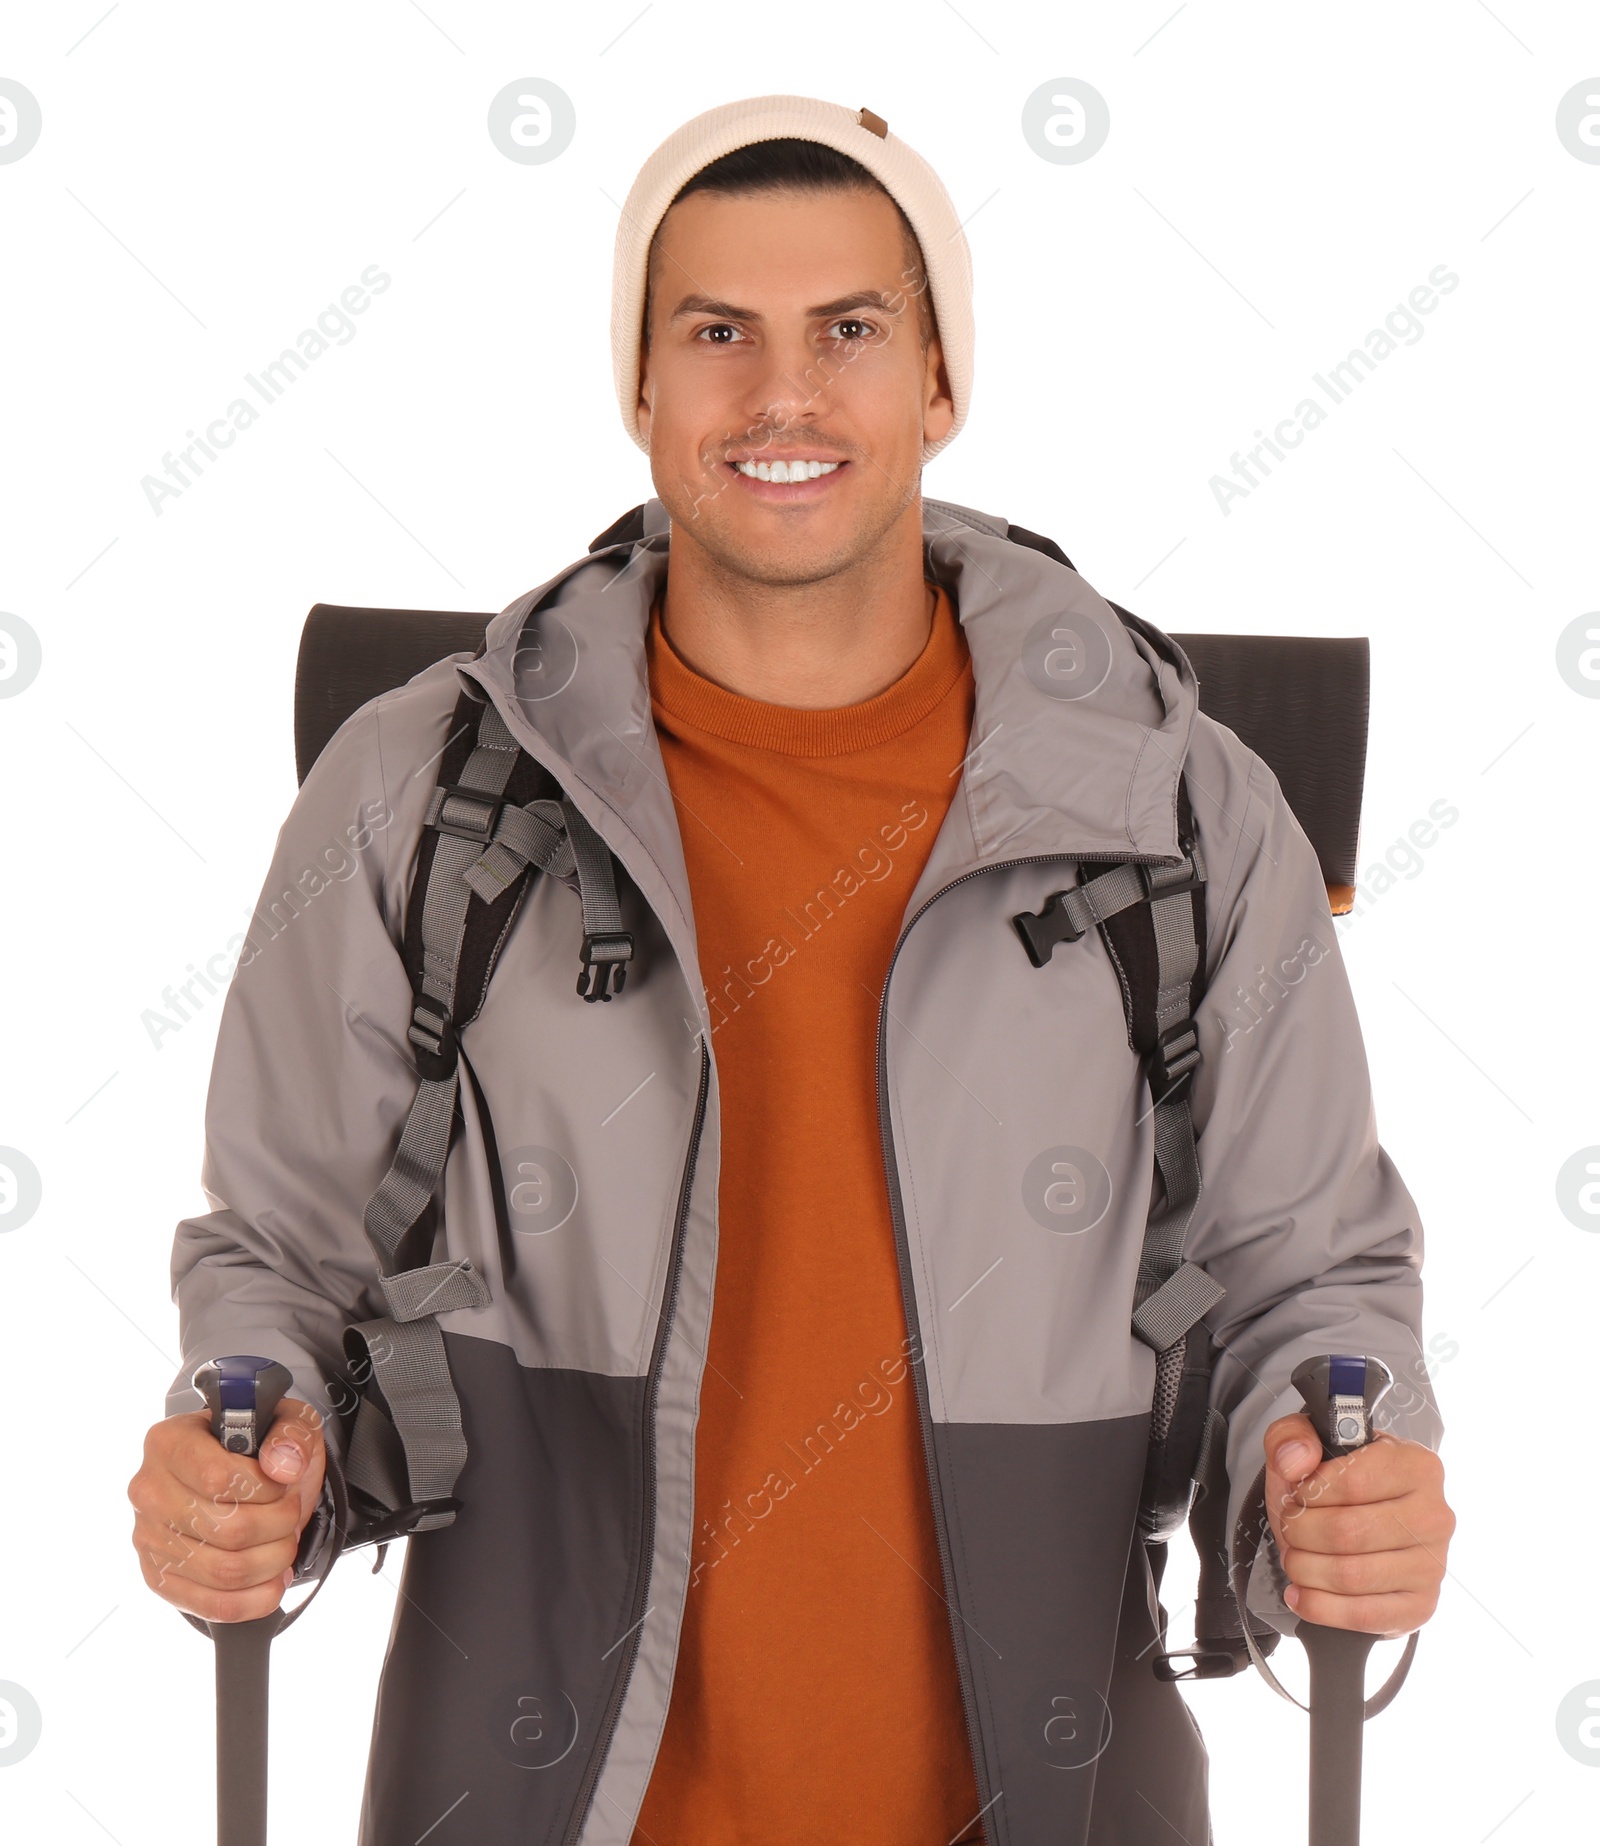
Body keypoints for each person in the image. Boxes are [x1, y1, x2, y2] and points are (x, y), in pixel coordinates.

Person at [128, 95, 1454, 1845]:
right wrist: (252, 1457)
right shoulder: (419, 787)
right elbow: (283, 1255)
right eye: (716, 332)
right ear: (643, 391)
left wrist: (1329, 1489)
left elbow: (1312, 1277)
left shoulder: (1178, 805)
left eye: (850, 328)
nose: (782, 395)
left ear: (937, 381)